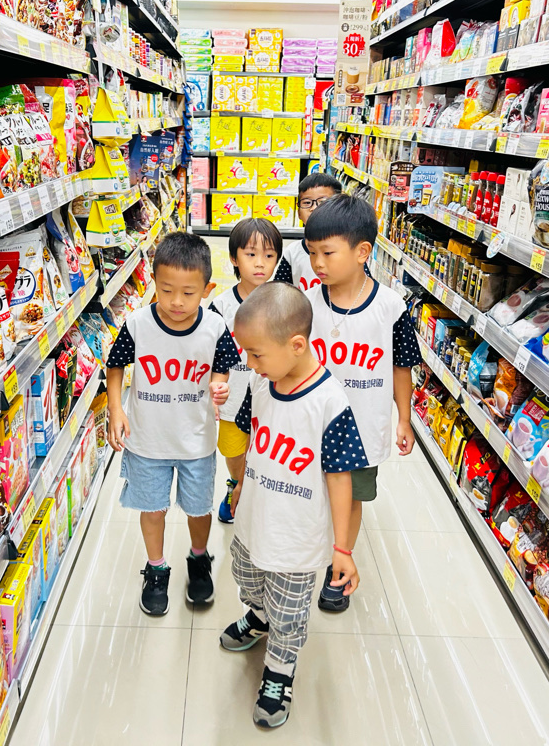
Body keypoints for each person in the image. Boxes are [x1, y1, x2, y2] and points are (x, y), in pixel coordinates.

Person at [219, 282, 367, 729]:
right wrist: (240, 483)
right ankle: (258, 616)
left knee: (289, 613)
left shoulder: (329, 403)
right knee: (246, 575)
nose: (249, 363)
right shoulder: (261, 384)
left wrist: (342, 548)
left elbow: (341, 478)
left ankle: (279, 671)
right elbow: (251, 437)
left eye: (256, 354)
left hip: (297, 536)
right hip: (254, 517)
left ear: (296, 345)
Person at [105, 233, 242, 616]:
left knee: (199, 509)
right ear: (153, 282)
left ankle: (199, 559)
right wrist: (116, 409)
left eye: (188, 293)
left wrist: (219, 384)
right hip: (147, 440)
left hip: (196, 440)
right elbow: (115, 365)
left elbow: (223, 366)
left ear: (208, 290)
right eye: (166, 291)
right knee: (152, 509)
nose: (176, 302)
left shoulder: (214, 327)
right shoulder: (138, 324)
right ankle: (156, 568)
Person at [303, 194, 421, 613]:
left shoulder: (391, 308)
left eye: (327, 253)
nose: (317, 263)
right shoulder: (307, 303)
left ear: (362, 252)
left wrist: (404, 418)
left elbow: (402, 366)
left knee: (351, 497)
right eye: (312, 253)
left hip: (363, 425)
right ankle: (311, 550)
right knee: (313, 491)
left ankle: (340, 561)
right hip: (313, 423)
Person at [210, 218, 283, 525]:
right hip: (233, 395)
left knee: (268, 447)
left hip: (272, 395)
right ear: (233, 258)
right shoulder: (221, 306)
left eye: (269, 255)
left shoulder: (284, 302)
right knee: (233, 448)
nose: (260, 263)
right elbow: (211, 353)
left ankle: (258, 492)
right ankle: (237, 484)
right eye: (251, 254)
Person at [274, 173, 342, 292]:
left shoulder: (348, 250)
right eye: (306, 202)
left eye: (322, 202)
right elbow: (278, 292)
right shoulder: (292, 253)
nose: (314, 208)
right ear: (298, 213)